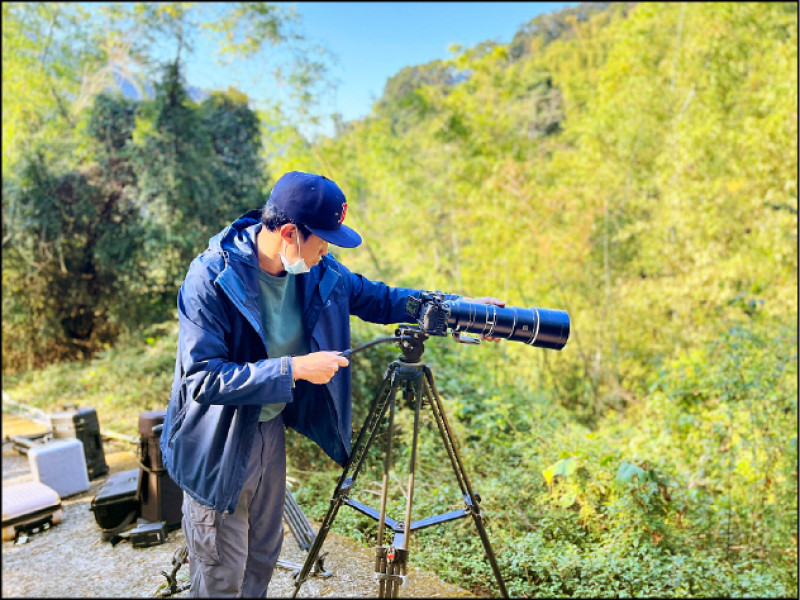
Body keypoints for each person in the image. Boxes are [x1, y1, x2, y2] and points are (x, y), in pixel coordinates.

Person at [160, 170, 503, 597]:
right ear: (289, 233)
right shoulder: (210, 278)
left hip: (267, 430)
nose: (327, 252)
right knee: (220, 572)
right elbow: (203, 378)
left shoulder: (317, 271)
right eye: (323, 241)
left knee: (261, 557)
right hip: (216, 444)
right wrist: (294, 369)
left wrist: (459, 309)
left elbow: (381, 298)